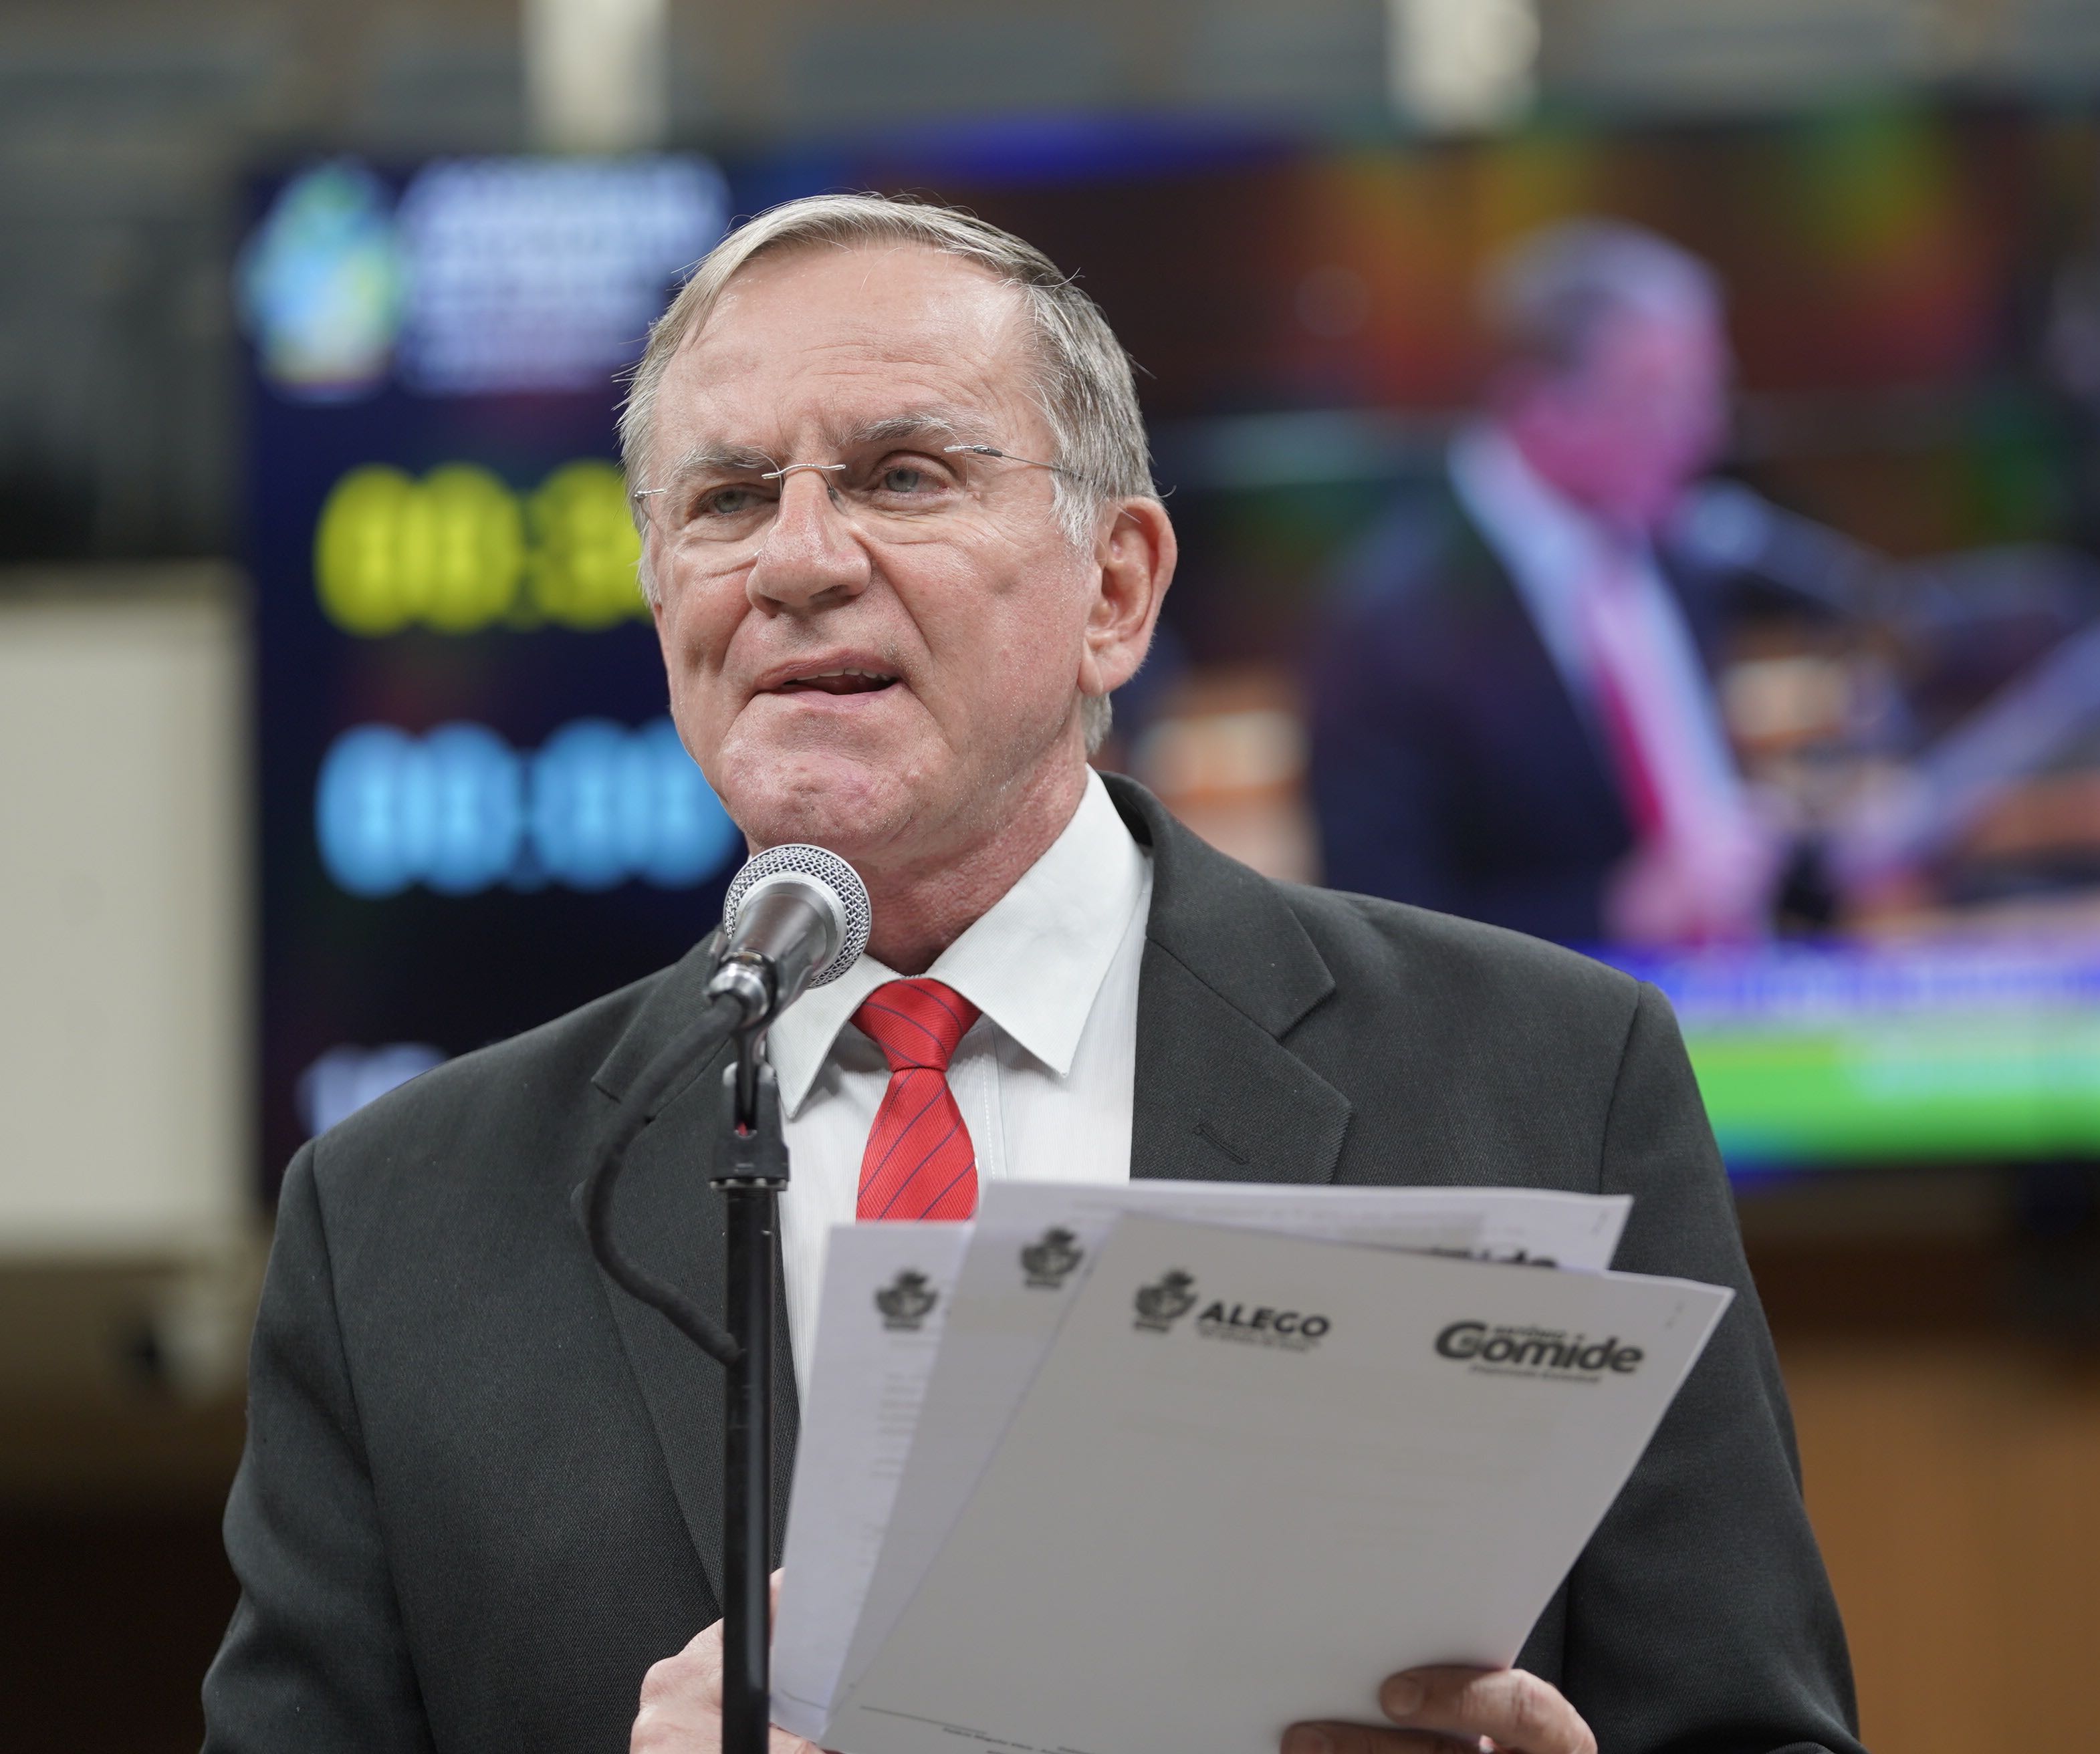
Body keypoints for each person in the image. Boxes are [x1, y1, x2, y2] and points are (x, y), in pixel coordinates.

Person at [203, 195, 1864, 1754]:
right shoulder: (398, 1226)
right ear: (660, 600)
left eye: (903, 473)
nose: (795, 560)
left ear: (1116, 590)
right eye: (725, 500)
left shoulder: (1551, 1081)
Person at [1308, 220, 1779, 947]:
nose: (1707, 432)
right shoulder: (1389, 621)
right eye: (1663, 397)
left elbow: (1701, 851)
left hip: (1749, 1001)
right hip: (1571, 1014)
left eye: (1709, 393)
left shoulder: (1676, 554)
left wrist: (1820, 863)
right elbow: (1378, 934)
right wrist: (1613, 914)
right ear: (1540, 403)